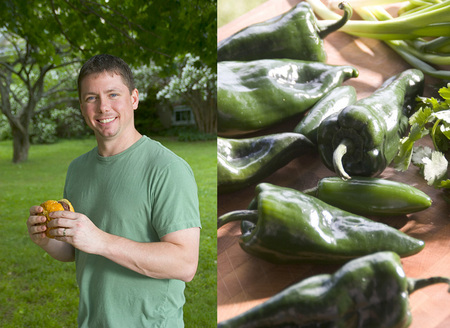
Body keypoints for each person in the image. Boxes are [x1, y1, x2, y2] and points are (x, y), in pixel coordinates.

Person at [26, 54, 201, 327]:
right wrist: (47, 240)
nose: (103, 107)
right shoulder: (77, 169)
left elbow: (185, 264)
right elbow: (75, 251)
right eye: (91, 98)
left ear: (134, 98)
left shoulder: (167, 169)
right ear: (82, 107)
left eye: (113, 94)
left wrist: (100, 240)